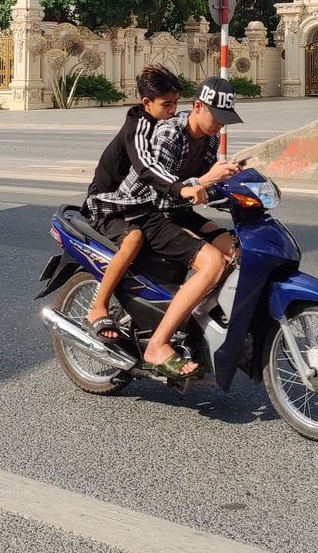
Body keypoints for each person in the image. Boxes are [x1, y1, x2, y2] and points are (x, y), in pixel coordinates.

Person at [85, 75, 243, 379]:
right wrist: (203, 182)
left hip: (174, 209)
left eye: (226, 120)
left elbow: (197, 185)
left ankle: (204, 323)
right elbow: (164, 191)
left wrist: (229, 180)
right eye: (217, 118)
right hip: (145, 211)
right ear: (198, 107)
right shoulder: (169, 132)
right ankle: (157, 343)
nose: (220, 126)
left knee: (235, 250)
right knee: (211, 263)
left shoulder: (209, 138)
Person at [82, 64, 182, 339]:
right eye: (166, 105)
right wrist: (178, 189)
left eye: (176, 103)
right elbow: (147, 168)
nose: (172, 110)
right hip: (109, 203)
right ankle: (98, 306)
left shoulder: (165, 125)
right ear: (146, 102)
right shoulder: (137, 128)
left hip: (138, 202)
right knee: (135, 239)